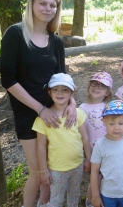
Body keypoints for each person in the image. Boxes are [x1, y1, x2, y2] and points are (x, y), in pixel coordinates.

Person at [0, 0, 77, 207]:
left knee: (51, 167)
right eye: (42, 3)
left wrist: (71, 103)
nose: (48, 8)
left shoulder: (55, 40)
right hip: (29, 113)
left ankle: (45, 203)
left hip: (55, 113)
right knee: (37, 171)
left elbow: (63, 78)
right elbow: (8, 80)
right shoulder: (15, 34)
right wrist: (39, 109)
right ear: (31, 5)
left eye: (53, 5)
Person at [33, 73, 91, 207]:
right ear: (49, 92)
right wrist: (43, 170)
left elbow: (85, 138)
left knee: (74, 195)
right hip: (57, 169)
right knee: (56, 201)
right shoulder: (43, 120)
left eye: (65, 90)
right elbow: (41, 147)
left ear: (72, 93)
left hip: (77, 165)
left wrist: (88, 158)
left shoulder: (78, 114)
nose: (60, 93)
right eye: (55, 89)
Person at [90, 100, 123, 207]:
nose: (116, 127)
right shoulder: (100, 145)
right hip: (108, 193)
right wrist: (95, 195)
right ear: (104, 122)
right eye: (111, 124)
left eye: (121, 123)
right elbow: (94, 172)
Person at [79, 72, 113, 207]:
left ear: (106, 92)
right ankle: (90, 200)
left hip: (108, 147)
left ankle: (102, 198)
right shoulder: (82, 108)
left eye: (102, 86)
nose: (96, 87)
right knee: (95, 176)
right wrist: (87, 154)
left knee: (105, 175)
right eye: (94, 84)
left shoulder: (108, 107)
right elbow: (83, 134)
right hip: (92, 148)